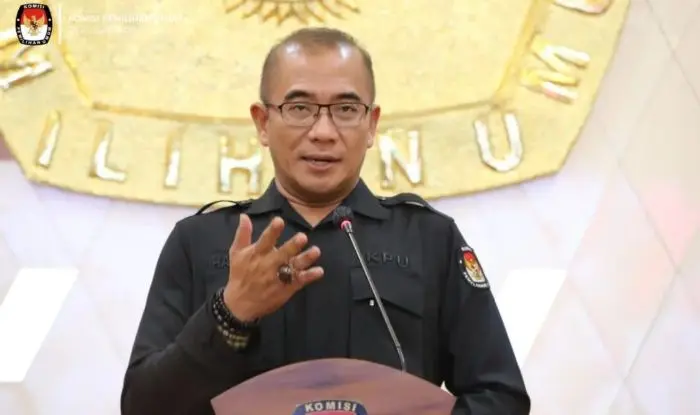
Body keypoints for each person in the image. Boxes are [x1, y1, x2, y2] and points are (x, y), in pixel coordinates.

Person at [120, 27, 530, 415]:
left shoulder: (429, 238)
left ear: (371, 125)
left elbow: (500, 397)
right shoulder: (201, 241)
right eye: (299, 108)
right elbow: (143, 407)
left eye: (346, 109)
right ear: (263, 123)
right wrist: (231, 313)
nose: (323, 131)